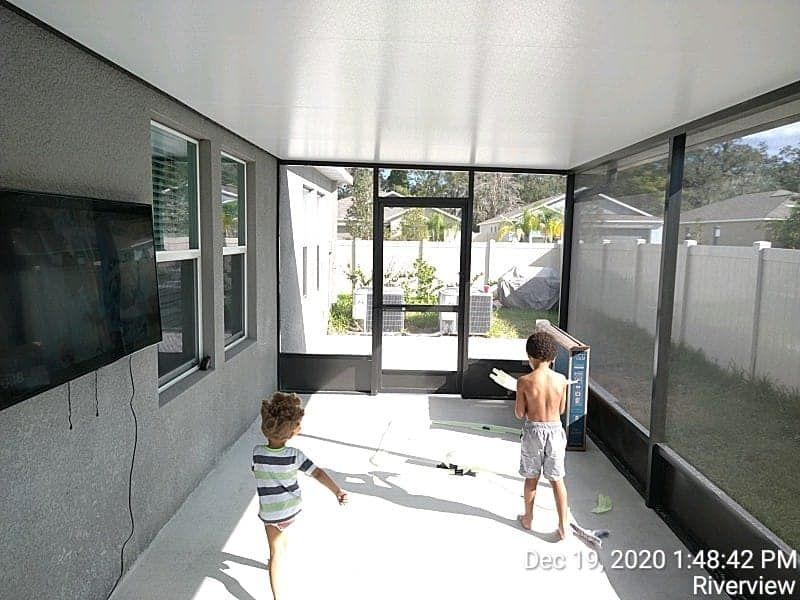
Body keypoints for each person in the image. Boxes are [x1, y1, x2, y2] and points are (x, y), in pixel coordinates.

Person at [252, 392, 347, 599]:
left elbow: (256, 470)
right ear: (292, 431)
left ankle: (277, 585)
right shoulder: (295, 455)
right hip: (291, 510)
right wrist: (337, 491)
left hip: (271, 513)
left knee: (274, 552)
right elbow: (318, 473)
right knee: (280, 545)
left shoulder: (257, 452)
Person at [494, 331, 570, 539]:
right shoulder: (561, 380)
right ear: (553, 358)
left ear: (530, 358)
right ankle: (564, 525)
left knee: (531, 478)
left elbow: (520, 414)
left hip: (533, 432)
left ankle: (528, 518)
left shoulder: (524, 381)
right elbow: (562, 409)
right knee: (557, 479)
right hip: (555, 431)